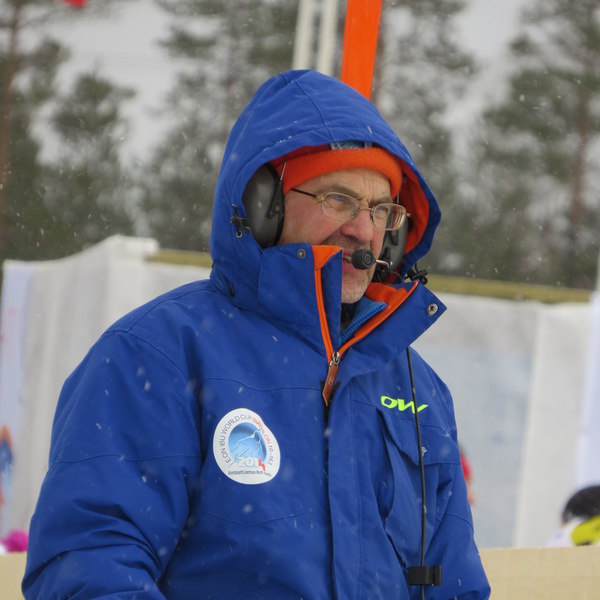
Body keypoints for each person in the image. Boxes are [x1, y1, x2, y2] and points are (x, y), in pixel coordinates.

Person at [23, 70, 490, 599]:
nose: (363, 230)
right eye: (337, 198)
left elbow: (456, 585)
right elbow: (91, 565)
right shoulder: (156, 355)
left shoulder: (418, 388)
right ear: (265, 207)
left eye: (381, 209)